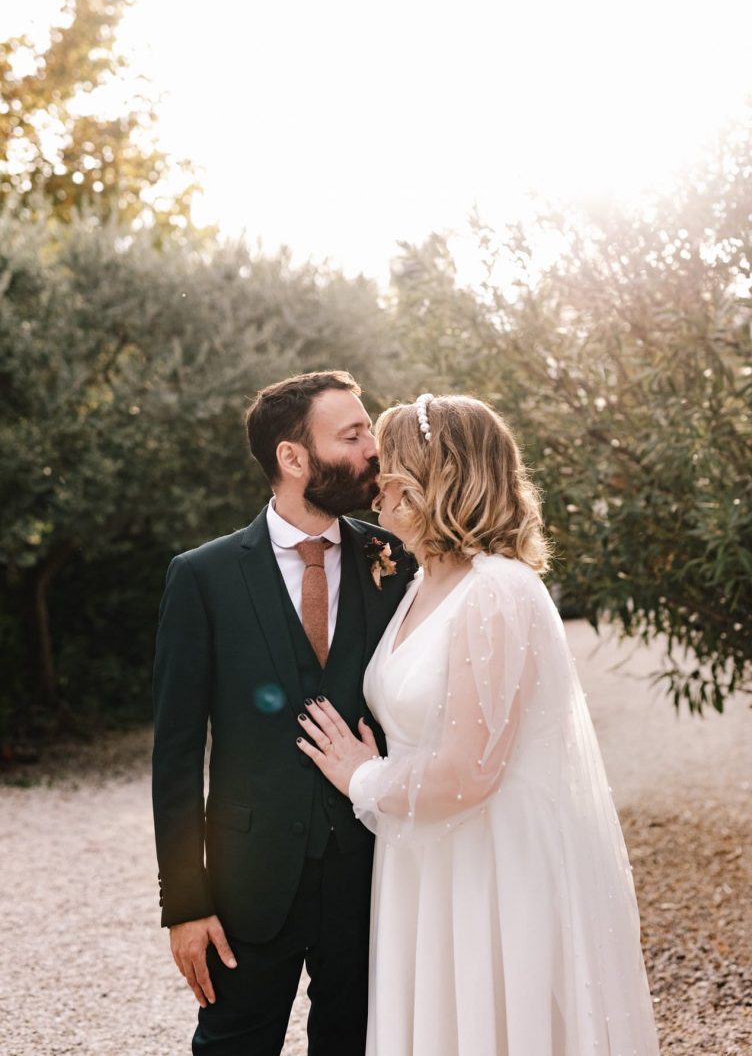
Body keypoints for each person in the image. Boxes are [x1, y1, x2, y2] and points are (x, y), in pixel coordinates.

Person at [298, 393, 661, 1056]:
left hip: (490, 865)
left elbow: (470, 773)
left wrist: (361, 776)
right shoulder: (423, 581)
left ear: (432, 476)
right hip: (425, 860)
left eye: (389, 462)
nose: (374, 478)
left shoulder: (498, 591)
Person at [151, 370, 414, 1055]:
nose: (373, 451)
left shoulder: (398, 561)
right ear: (293, 458)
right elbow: (176, 754)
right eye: (353, 436)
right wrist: (186, 904)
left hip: (373, 873)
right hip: (249, 880)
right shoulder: (202, 577)